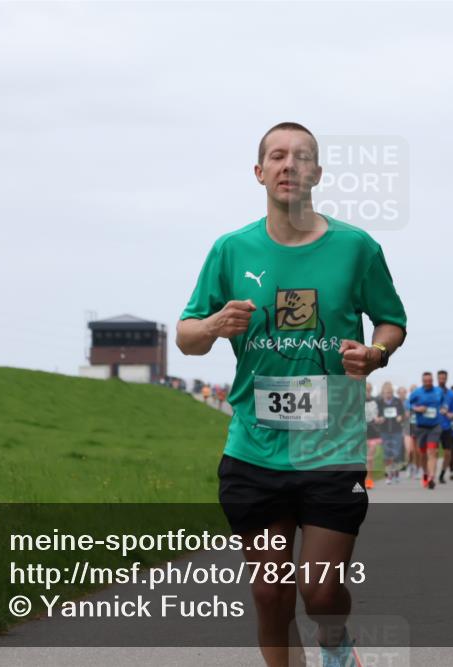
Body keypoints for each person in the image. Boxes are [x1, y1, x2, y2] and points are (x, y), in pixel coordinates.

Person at [176, 121, 407, 667]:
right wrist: (212, 325)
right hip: (254, 448)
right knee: (269, 592)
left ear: (316, 174)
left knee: (320, 592)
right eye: (276, 157)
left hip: (331, 449)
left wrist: (375, 354)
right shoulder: (231, 250)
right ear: (259, 173)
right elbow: (185, 337)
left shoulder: (356, 247)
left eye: (301, 157)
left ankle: (334, 641)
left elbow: (391, 322)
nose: (288, 165)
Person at [409, 371, 444, 489]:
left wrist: (444, 408)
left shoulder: (438, 391)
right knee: (423, 454)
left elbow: (444, 403)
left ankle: (431, 477)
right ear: (422, 381)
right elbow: (407, 404)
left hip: (435, 427)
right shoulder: (417, 393)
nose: (428, 383)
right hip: (421, 428)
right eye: (426, 381)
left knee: (432, 451)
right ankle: (425, 474)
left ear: (432, 380)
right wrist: (417, 408)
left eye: (430, 381)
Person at [376, 382, 406, 484]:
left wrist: (400, 417)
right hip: (384, 431)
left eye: (390, 392)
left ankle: (396, 474)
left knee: (396, 453)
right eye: (386, 392)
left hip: (396, 430)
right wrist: (379, 419)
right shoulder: (380, 402)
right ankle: (389, 475)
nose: (388, 394)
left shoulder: (397, 402)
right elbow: (377, 415)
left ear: (392, 392)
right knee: (387, 453)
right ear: (383, 393)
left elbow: (403, 414)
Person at [435, 370, 453, 484]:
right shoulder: (432, 392)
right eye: (440, 378)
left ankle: (442, 473)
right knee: (433, 452)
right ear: (437, 378)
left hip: (446, 427)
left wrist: (452, 414)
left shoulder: (451, 394)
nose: (442, 380)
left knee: (448, 453)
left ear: (446, 378)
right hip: (433, 427)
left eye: (443, 378)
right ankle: (431, 474)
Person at [364, 382, 381, 489]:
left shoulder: (376, 400)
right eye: (366, 389)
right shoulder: (358, 400)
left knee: (370, 458)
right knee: (362, 458)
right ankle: (362, 479)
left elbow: (381, 414)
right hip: (361, 432)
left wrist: (380, 418)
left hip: (374, 432)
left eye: (369, 389)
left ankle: (369, 480)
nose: (368, 391)